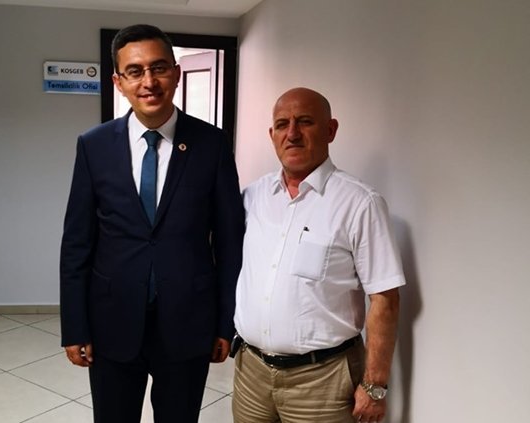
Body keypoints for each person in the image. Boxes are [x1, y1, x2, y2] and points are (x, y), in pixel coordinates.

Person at [59, 24, 245, 423]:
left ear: (176, 74)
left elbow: (230, 241)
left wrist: (225, 323)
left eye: (159, 68)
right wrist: (75, 326)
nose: (149, 81)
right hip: (112, 320)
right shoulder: (94, 146)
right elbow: (76, 243)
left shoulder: (211, 144)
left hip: (188, 320)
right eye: (135, 71)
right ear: (118, 82)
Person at [232, 87, 405, 423]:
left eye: (305, 121)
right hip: (252, 374)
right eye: (282, 125)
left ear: (330, 130)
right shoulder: (253, 197)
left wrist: (374, 385)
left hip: (323, 382)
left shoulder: (360, 203)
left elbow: (385, 299)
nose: (292, 133)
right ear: (272, 135)